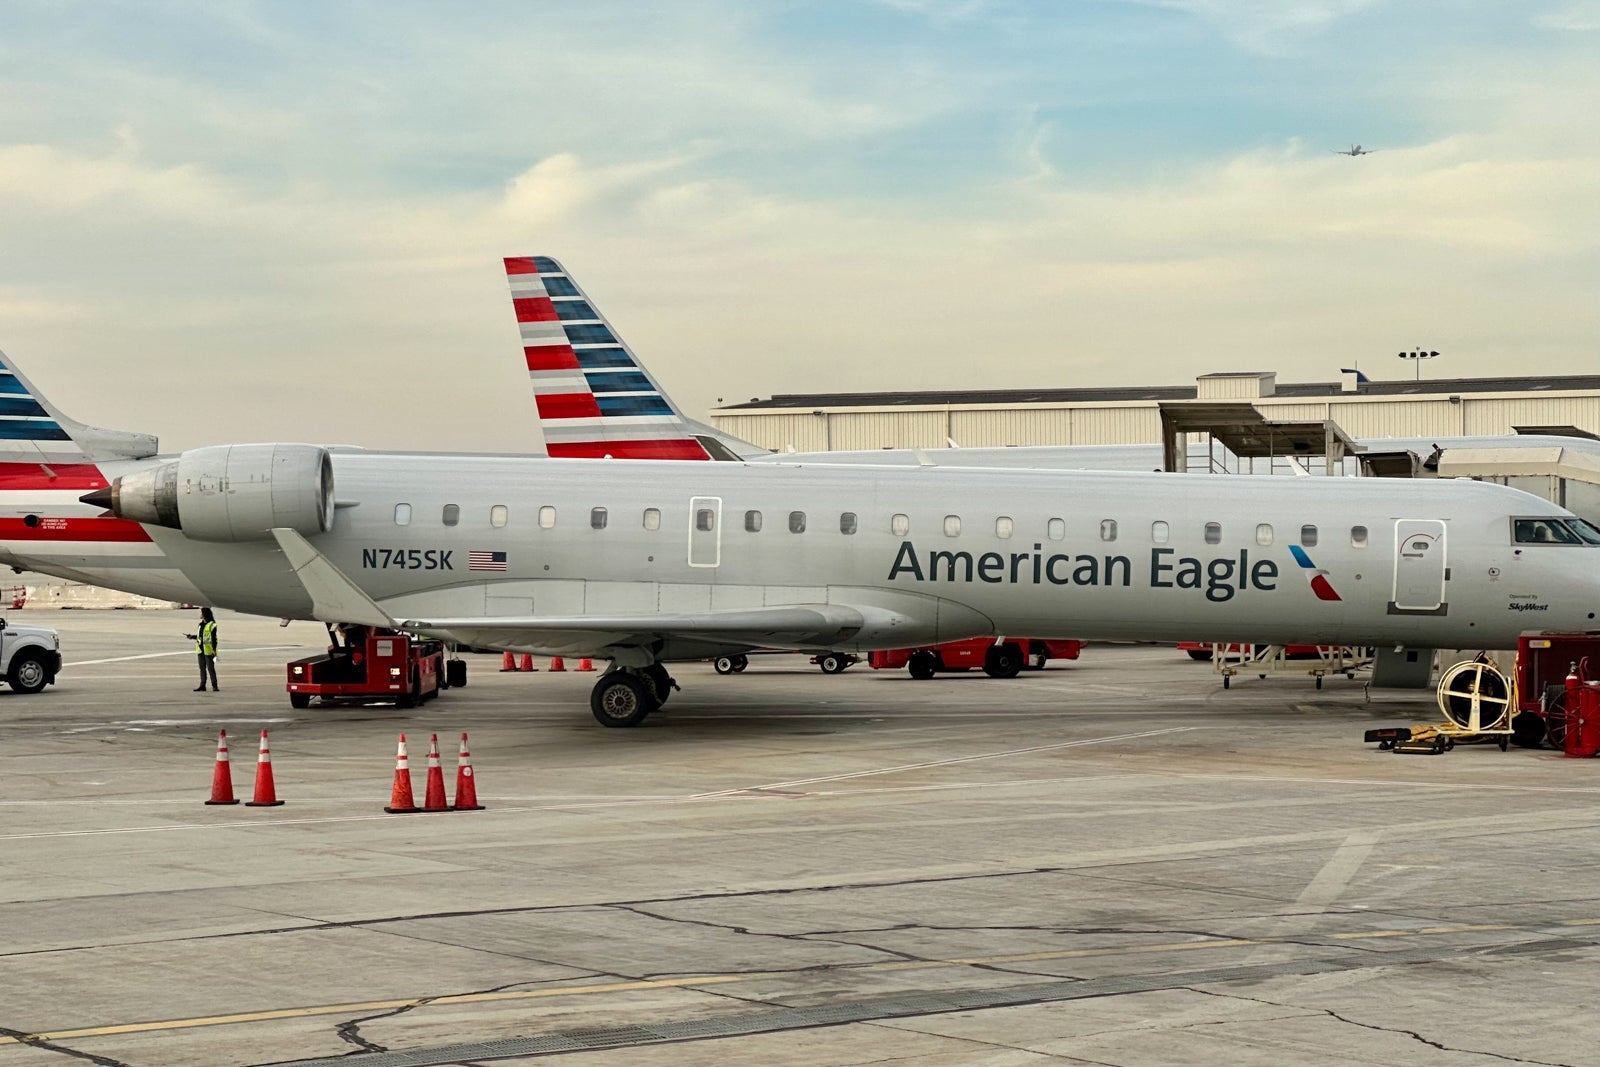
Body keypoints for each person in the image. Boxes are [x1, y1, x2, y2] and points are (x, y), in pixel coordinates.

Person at [186, 607, 219, 692]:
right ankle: (202, 685)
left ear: (204, 614)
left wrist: (214, 650)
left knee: (211, 668)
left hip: (208, 650)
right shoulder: (200, 625)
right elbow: (200, 636)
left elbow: (214, 639)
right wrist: (192, 637)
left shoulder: (212, 625)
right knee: (202, 669)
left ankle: (214, 685)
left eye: (201, 613)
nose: (200, 615)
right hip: (200, 650)